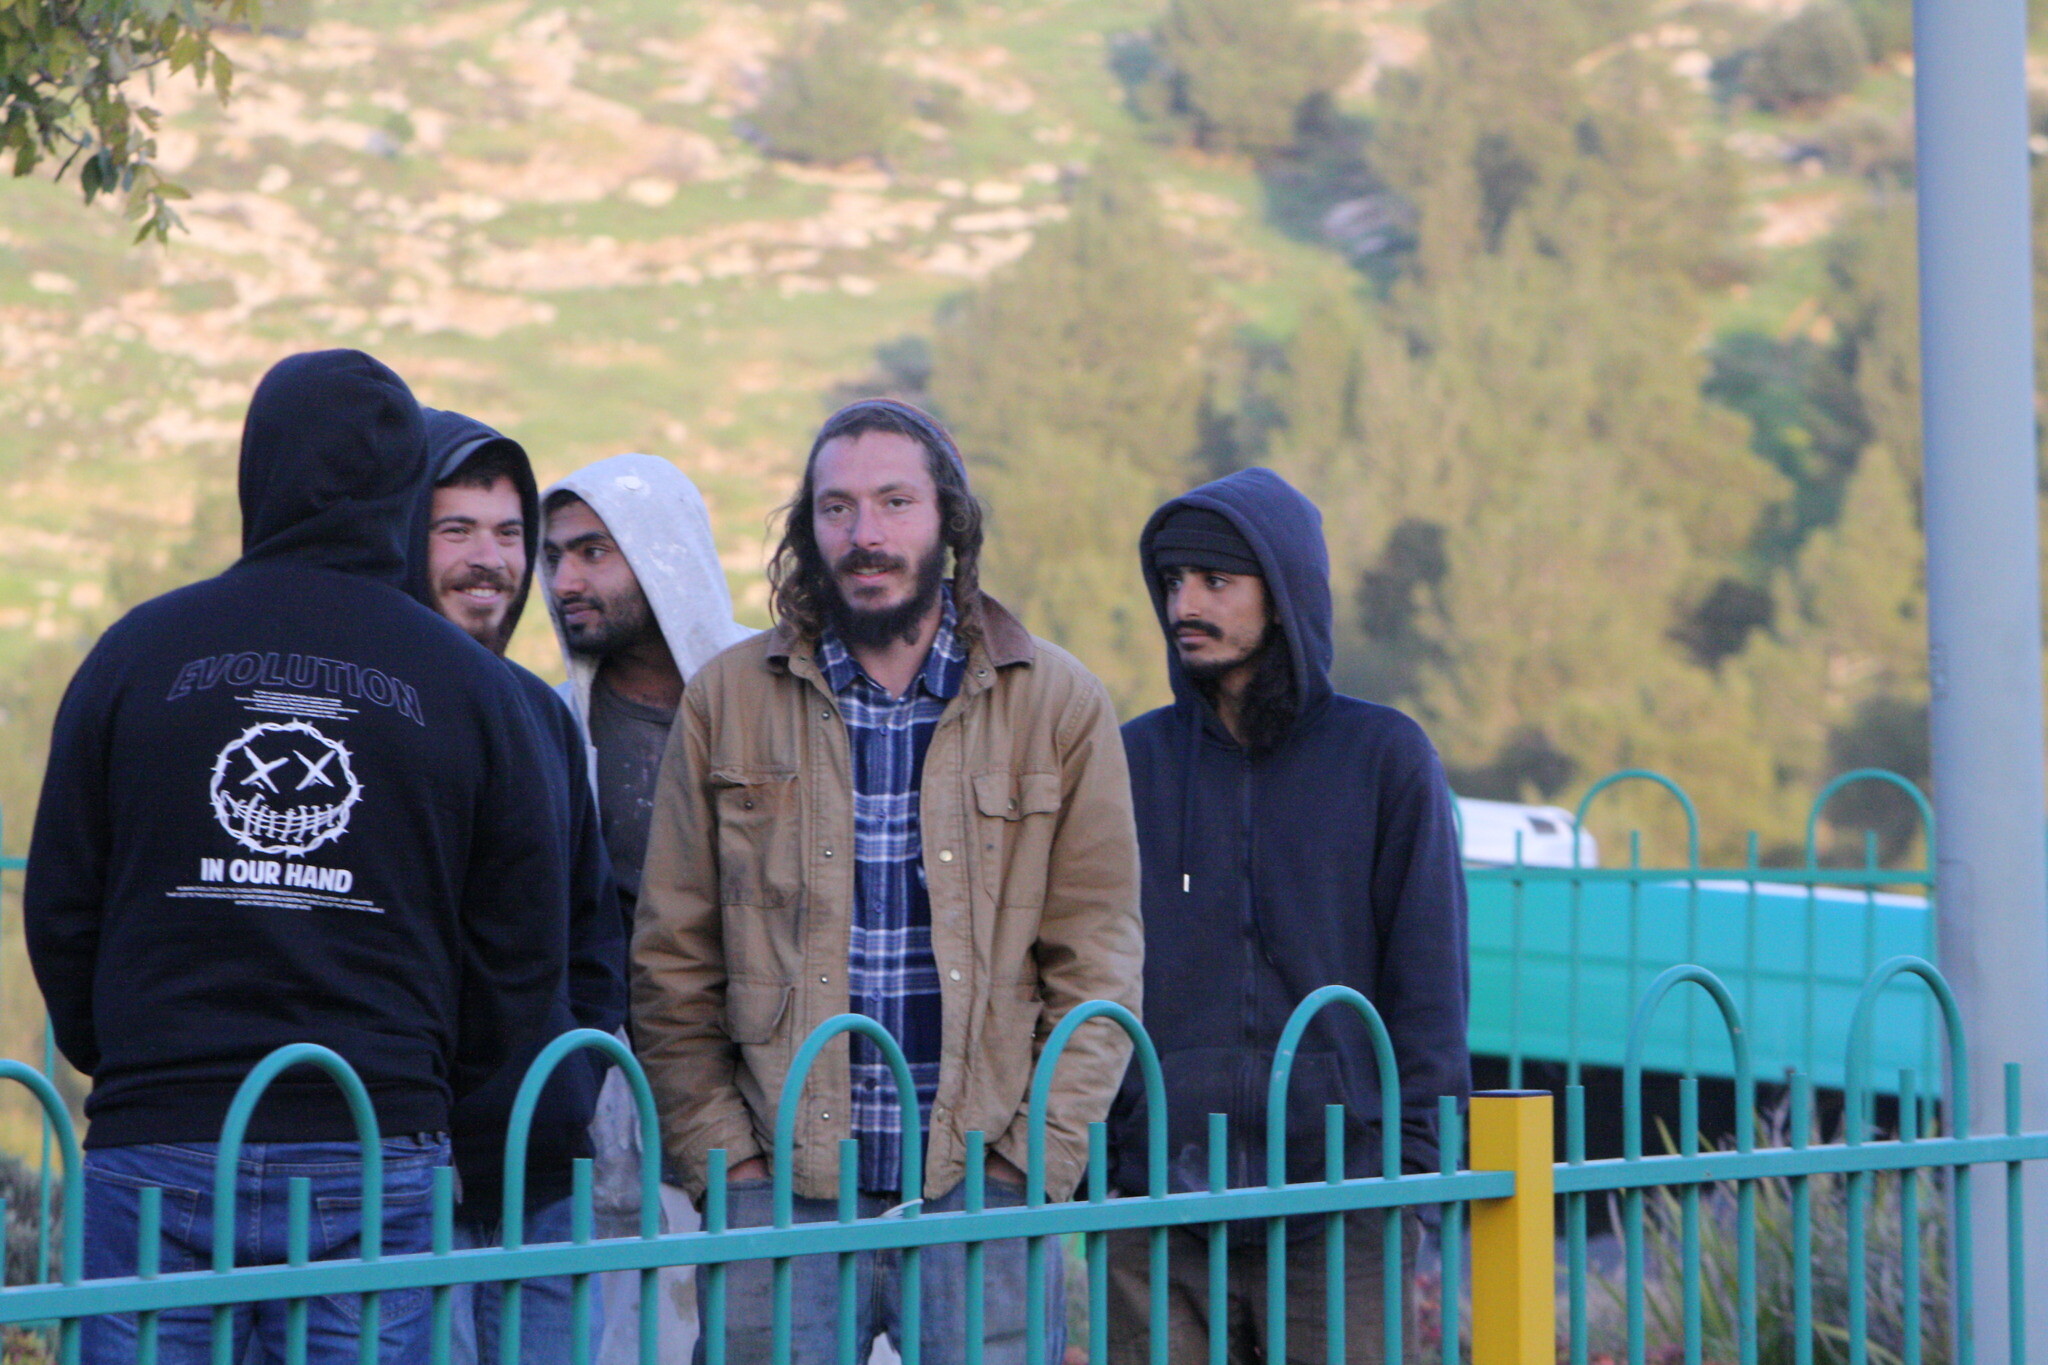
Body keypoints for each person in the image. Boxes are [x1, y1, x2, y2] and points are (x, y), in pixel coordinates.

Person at [24, 351, 567, 1365]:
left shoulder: (138, 653)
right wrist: (423, 1076)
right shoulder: (470, 686)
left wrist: (134, 1053)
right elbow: (523, 944)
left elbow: (61, 899)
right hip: (374, 1136)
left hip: (161, 1132)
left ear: (257, 467)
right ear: (404, 489)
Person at [632, 398, 1144, 1365]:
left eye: (895, 501)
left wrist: (1032, 1165)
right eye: (837, 507)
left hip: (982, 1188)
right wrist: (726, 1164)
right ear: (807, 528)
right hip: (776, 1193)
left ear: (949, 519)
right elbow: (672, 958)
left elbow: (1100, 964)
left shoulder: (1059, 704)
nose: (864, 533)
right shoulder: (727, 701)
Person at [1104, 468, 1470, 1363]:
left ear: (1285, 591)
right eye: (1173, 581)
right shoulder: (1131, 762)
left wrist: (1409, 1178)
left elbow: (1430, 982)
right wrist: (1106, 1162)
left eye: (1216, 581)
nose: (1185, 604)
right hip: (1156, 1201)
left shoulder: (1383, 758)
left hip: (1345, 1203)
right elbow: (1085, 964)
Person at [417, 409, 627, 1365]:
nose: (489, 560)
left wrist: (569, 1084)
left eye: (510, 534)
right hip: (414, 1177)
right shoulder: (380, 707)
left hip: (542, 1172)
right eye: (457, 529)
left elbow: (591, 926)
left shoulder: (542, 714)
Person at [539, 453, 753, 1364]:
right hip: (614, 1105)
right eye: (554, 555)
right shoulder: (549, 723)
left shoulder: (778, 701)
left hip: (771, 1093)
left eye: (594, 552)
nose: (564, 581)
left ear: (660, 551)